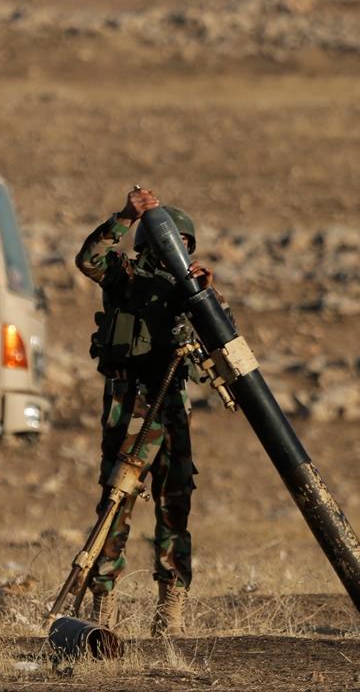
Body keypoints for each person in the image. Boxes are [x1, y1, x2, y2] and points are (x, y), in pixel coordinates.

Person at [74, 186, 219, 636]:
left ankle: (170, 608)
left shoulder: (191, 289)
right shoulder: (123, 276)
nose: (175, 249)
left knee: (174, 504)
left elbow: (221, 341)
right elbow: (88, 259)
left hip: (171, 401)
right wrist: (124, 216)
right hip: (129, 404)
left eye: (182, 243)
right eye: (169, 241)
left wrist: (206, 296)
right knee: (115, 503)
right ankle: (105, 605)